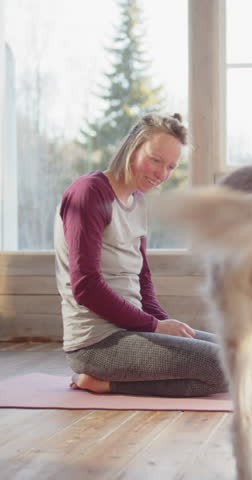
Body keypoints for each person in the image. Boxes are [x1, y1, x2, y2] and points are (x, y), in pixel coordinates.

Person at [53, 112, 227, 397]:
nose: (162, 174)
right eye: (155, 160)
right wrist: (155, 326)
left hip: (134, 329)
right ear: (132, 147)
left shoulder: (139, 202)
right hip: (97, 343)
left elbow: (142, 277)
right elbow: (86, 287)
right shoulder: (88, 193)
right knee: (223, 367)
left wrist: (162, 323)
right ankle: (102, 382)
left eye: (171, 166)